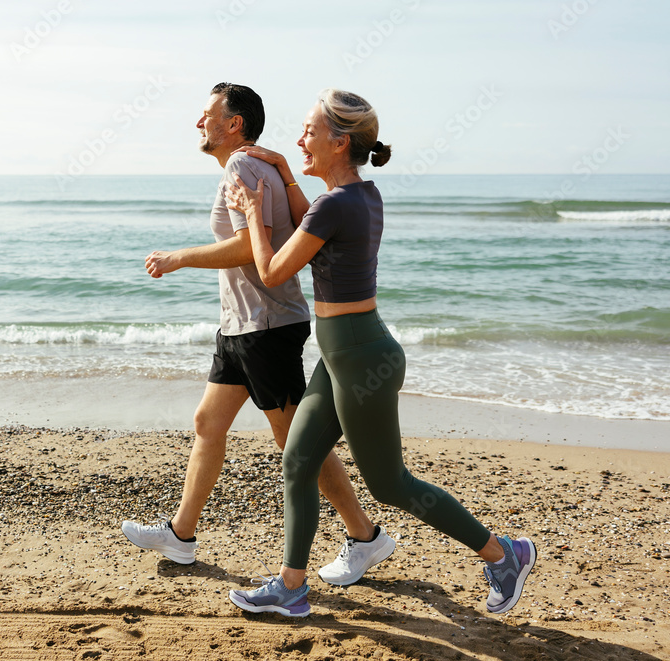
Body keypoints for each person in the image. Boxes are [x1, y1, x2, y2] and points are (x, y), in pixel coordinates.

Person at [224, 89, 536, 618]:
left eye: (308, 132)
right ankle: (291, 586)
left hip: (360, 361)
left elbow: (274, 269)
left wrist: (253, 213)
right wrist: (284, 168)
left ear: (339, 142)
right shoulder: (358, 197)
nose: (299, 139)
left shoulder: (335, 204)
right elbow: (310, 223)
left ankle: (505, 554)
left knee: (389, 484)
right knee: (298, 463)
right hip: (344, 355)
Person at [121, 83, 395, 584]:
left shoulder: (243, 168)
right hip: (241, 323)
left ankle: (365, 535)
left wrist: (178, 257)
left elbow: (253, 248)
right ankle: (182, 536)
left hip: (267, 326)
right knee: (208, 422)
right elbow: (293, 230)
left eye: (207, 115)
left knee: (297, 442)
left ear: (235, 123)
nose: (198, 123)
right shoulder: (254, 166)